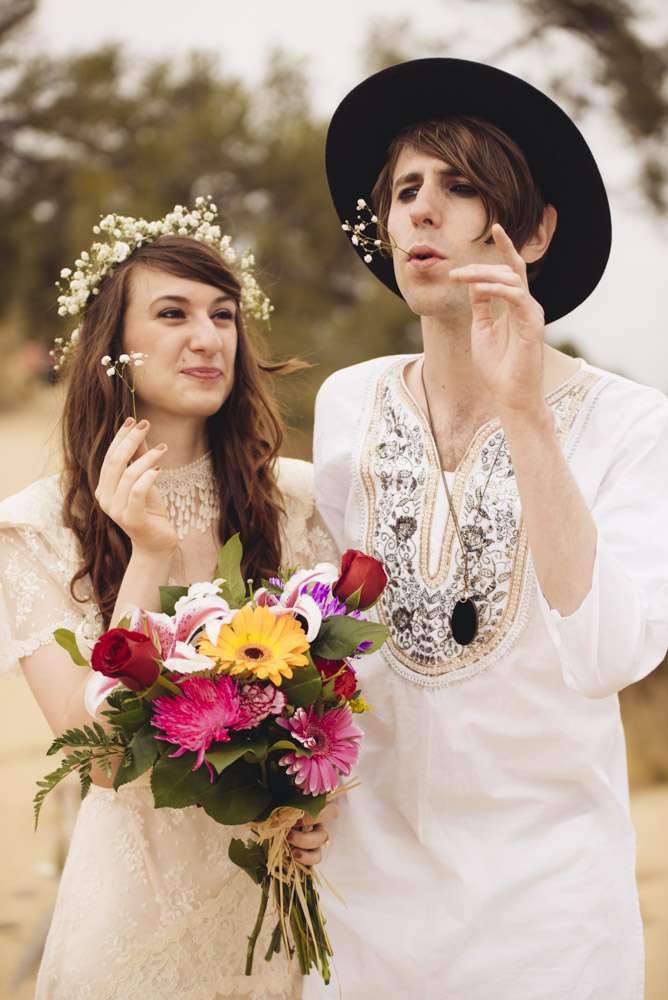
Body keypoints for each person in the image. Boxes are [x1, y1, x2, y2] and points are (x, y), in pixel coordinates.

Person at [308, 58, 668, 999]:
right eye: (404, 191)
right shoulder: (349, 404)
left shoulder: (635, 425)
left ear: (535, 231)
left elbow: (611, 655)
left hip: (547, 907)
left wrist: (525, 413)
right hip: (363, 897)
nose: (422, 210)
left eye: (461, 187)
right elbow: (327, 637)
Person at [0, 199, 337, 1000]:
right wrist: (147, 553)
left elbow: (338, 712)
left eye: (223, 314)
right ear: (114, 345)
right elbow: (101, 757)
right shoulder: (37, 529)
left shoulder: (297, 502)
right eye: (174, 313)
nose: (208, 337)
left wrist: (320, 808)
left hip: (274, 910)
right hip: (131, 914)